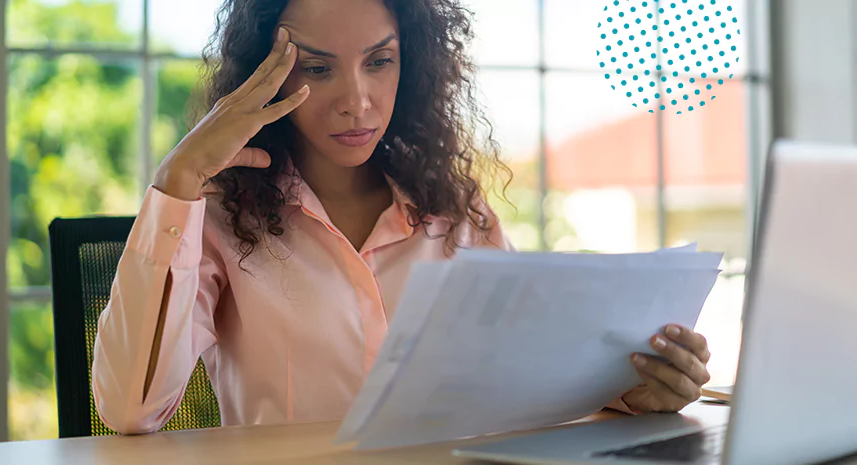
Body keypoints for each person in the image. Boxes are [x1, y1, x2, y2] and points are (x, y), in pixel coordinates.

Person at [91, 0, 713, 435]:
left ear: (409, 64)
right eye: (316, 68)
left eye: (379, 61)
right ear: (266, 76)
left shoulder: (458, 214)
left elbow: (530, 384)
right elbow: (128, 410)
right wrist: (176, 183)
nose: (356, 100)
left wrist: (630, 390)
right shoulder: (221, 218)